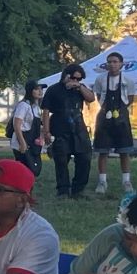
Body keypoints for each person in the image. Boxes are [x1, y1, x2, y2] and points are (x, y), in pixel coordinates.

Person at [40, 64, 95, 199]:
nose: (76, 80)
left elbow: (91, 98)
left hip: (78, 125)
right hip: (59, 125)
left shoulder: (79, 89)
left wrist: (80, 87)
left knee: (84, 157)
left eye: (79, 79)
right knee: (61, 160)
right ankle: (63, 190)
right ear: (66, 75)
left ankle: (79, 189)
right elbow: (45, 111)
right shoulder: (53, 90)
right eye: (74, 77)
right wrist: (46, 131)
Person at [89, 52, 136, 196]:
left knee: (124, 150)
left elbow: (131, 98)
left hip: (121, 116)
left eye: (115, 61)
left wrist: (121, 110)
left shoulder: (128, 80)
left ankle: (126, 181)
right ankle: (102, 181)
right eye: (109, 62)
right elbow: (98, 97)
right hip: (104, 116)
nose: (112, 64)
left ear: (121, 64)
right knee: (103, 151)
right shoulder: (100, 79)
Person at [9, 82, 44, 176]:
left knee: (33, 170)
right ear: (30, 91)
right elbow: (16, 125)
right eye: (37, 89)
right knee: (24, 170)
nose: (40, 91)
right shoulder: (23, 105)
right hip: (22, 142)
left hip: (33, 143)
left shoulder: (37, 108)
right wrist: (22, 143)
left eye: (41, 89)